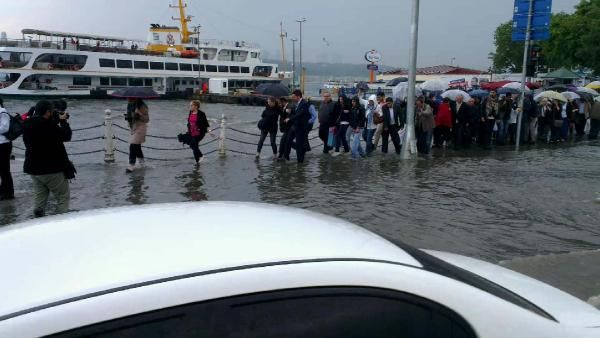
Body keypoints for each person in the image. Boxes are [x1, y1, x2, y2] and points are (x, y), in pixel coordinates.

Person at [23, 100, 72, 217]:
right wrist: (63, 121)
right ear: (47, 112)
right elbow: (66, 136)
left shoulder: (27, 124)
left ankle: (38, 221)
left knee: (40, 198)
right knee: (63, 197)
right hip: (52, 168)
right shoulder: (49, 125)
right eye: (51, 111)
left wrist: (54, 120)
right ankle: (62, 221)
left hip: (33, 168)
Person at [283, 90, 311, 163]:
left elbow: (300, 114)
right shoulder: (296, 103)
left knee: (299, 144)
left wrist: (289, 118)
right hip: (294, 125)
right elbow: (296, 112)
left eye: (294, 97)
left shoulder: (304, 103)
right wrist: (291, 112)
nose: (292, 98)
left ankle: (300, 161)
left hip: (301, 127)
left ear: (298, 96)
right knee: (288, 140)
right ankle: (286, 156)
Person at [127, 99, 149, 173]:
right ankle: (142, 163)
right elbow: (130, 119)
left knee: (133, 145)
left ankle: (131, 165)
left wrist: (139, 116)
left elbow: (147, 119)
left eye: (130, 98)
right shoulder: (130, 106)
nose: (128, 99)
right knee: (137, 146)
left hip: (141, 128)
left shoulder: (142, 106)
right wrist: (129, 118)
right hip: (134, 128)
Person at [0, 98, 14, 200]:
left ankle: (8, 192)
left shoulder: (2, 111)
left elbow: (5, 128)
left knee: (4, 169)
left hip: (3, 144)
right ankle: (3, 189)